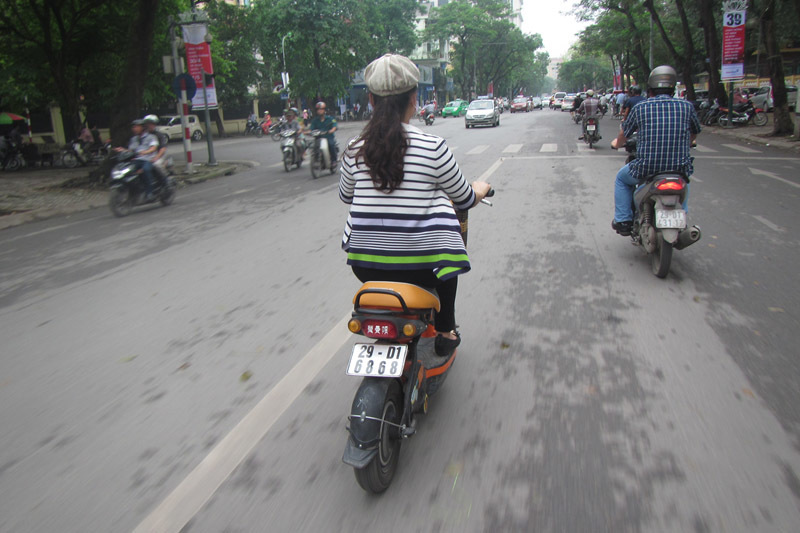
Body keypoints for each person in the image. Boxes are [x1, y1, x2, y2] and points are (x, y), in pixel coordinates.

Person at [338, 53, 492, 357]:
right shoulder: (433, 147)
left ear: (370, 100)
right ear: (414, 97)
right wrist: (481, 189)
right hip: (424, 269)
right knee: (447, 258)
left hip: (365, 266)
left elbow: (346, 195)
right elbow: (462, 198)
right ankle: (446, 329)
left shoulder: (354, 148)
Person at [610, 65, 701, 236]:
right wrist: (688, 142)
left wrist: (617, 143)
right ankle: (683, 218)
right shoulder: (686, 107)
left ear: (650, 89)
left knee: (621, 180)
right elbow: (694, 132)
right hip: (678, 168)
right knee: (684, 183)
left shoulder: (641, 108)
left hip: (647, 167)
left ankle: (623, 220)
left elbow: (625, 133)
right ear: (673, 88)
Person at [115, 119, 158, 200]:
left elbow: (153, 148)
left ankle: (150, 192)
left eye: (137, 127)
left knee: (145, 170)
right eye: (133, 127)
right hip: (136, 160)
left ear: (143, 128)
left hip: (147, 159)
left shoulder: (151, 137)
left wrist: (145, 152)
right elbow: (131, 150)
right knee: (127, 170)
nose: (134, 129)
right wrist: (122, 150)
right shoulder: (133, 139)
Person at [143, 115, 169, 183]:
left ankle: (166, 182)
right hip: (146, 157)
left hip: (159, 156)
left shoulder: (159, 135)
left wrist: (156, 157)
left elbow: (163, 148)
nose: (149, 126)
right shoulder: (143, 136)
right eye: (148, 124)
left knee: (157, 165)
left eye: (151, 124)